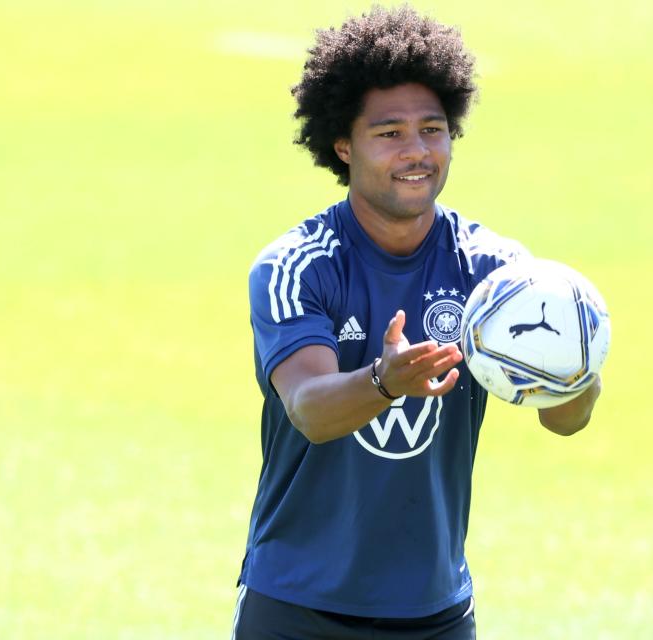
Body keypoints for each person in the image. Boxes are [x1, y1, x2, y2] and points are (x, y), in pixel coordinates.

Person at [232, 6, 601, 639]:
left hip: (434, 613)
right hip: (297, 608)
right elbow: (311, 411)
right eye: (389, 133)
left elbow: (566, 419)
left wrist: (576, 364)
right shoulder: (297, 266)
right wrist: (385, 380)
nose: (417, 152)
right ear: (343, 144)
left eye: (432, 129)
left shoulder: (498, 274)